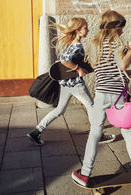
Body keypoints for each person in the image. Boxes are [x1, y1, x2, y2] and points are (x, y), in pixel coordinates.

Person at [71, 10, 131, 187]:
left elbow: (100, 67)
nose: (122, 31)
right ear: (115, 27)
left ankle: (84, 173)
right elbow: (122, 65)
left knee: (95, 132)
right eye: (121, 27)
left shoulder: (95, 44)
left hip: (101, 93)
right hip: (117, 95)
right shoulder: (118, 44)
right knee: (127, 130)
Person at [27, 17, 116, 145]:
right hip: (75, 84)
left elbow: (73, 60)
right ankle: (99, 135)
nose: (88, 30)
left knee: (59, 110)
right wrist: (78, 69)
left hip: (65, 83)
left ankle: (36, 131)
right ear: (78, 30)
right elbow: (64, 60)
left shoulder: (71, 43)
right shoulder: (77, 45)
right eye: (85, 28)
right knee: (91, 107)